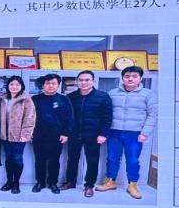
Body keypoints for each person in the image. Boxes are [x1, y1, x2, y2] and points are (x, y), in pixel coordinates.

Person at [96, 65, 157, 200]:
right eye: (127, 76)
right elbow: (105, 113)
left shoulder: (148, 94)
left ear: (140, 78)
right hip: (114, 132)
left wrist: (145, 133)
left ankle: (132, 185)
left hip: (135, 133)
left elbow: (153, 115)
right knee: (112, 158)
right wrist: (104, 132)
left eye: (134, 76)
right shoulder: (112, 93)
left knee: (133, 160)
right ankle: (110, 181)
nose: (130, 79)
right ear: (122, 78)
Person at [62, 70, 113, 198]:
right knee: (72, 159)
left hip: (93, 135)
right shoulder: (71, 97)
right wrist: (66, 132)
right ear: (76, 82)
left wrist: (103, 134)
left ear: (93, 81)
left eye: (87, 80)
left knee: (92, 160)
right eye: (81, 80)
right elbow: (66, 117)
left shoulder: (103, 96)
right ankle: (70, 182)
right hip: (74, 134)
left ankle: (89, 185)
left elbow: (107, 117)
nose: (83, 82)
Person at [31, 73, 73, 194]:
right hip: (38, 135)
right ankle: (40, 182)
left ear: (58, 85)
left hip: (57, 135)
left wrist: (65, 133)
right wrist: (30, 132)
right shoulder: (35, 99)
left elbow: (69, 118)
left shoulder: (64, 99)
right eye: (48, 83)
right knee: (39, 160)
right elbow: (29, 117)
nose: (50, 86)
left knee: (54, 160)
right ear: (43, 85)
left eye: (53, 83)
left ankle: (53, 183)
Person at [0, 76, 35, 194]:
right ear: (8, 86)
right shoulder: (4, 98)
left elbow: (30, 118)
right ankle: (9, 182)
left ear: (21, 86)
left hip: (19, 136)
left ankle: (16, 183)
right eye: (11, 84)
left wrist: (25, 134)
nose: (14, 87)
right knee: (8, 159)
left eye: (17, 85)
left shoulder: (26, 99)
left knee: (17, 159)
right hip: (5, 135)